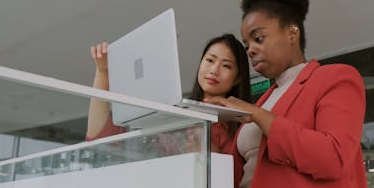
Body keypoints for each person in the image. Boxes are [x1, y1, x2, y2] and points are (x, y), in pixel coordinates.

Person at [205, 0, 370, 188]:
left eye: (258, 38)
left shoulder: (335, 78)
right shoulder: (265, 100)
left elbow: (333, 156)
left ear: (292, 33)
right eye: (247, 44)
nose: (250, 50)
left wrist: (259, 116)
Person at [86, 33, 251, 154]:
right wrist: (103, 73)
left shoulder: (239, 127)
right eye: (210, 60)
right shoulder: (175, 113)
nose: (214, 70)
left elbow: (224, 185)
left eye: (226, 66)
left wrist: (204, 152)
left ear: (238, 78)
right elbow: (98, 136)